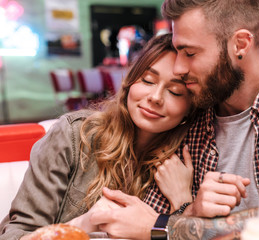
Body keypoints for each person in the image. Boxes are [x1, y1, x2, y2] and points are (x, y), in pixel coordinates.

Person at [88, 0, 259, 239]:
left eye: (190, 53)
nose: (179, 68)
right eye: (178, 51)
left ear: (240, 44)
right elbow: (137, 219)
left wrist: (164, 227)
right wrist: (188, 211)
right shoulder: (186, 116)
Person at [0, 33, 196, 239]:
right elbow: (15, 234)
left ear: (191, 108)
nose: (155, 98)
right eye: (148, 80)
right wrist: (82, 224)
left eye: (175, 92)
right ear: (130, 82)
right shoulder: (75, 136)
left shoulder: (184, 163)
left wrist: (182, 203)